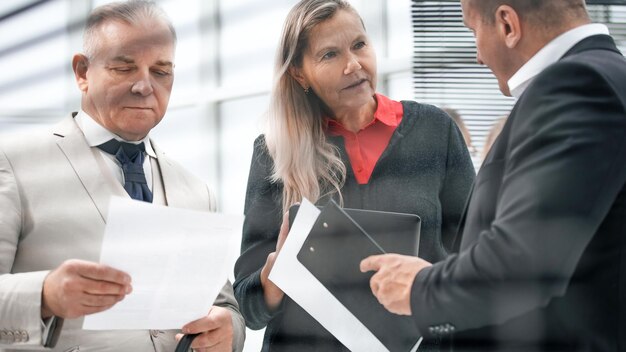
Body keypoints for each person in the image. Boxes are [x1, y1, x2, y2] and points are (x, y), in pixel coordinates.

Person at [361, 0, 626, 350]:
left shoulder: (578, 83)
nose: (478, 56)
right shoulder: (604, 77)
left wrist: (419, 286)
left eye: (473, 32)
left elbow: (524, 261)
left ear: (507, 25)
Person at [0, 1, 244, 351]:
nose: (145, 86)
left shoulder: (196, 191)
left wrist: (230, 330)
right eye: (123, 67)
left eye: (161, 71)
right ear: (83, 72)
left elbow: (223, 307)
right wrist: (43, 295)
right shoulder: (12, 161)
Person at [233, 0, 475, 350]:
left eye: (359, 45)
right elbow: (248, 305)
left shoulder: (436, 132)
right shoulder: (272, 152)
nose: (353, 65)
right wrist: (276, 273)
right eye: (329, 55)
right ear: (300, 73)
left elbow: (474, 264)